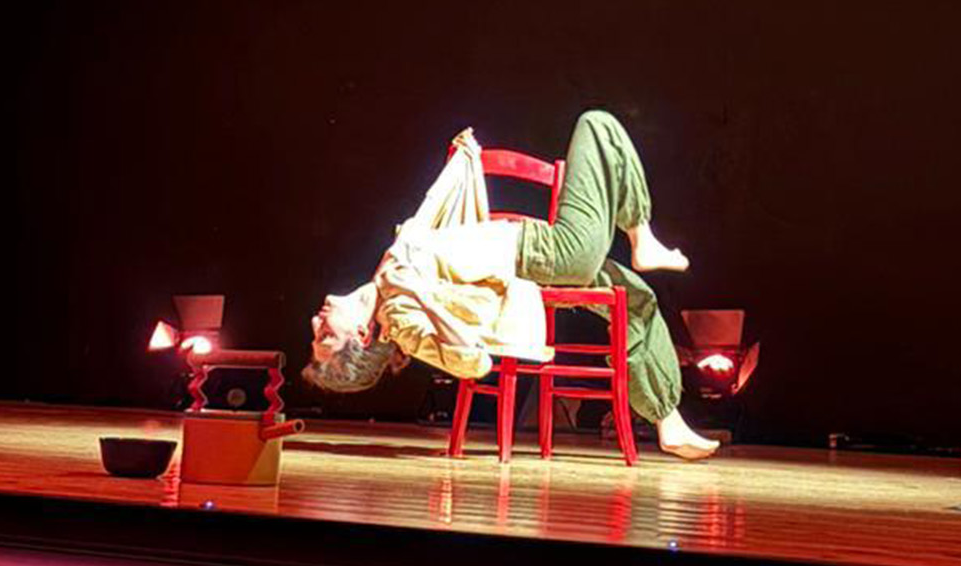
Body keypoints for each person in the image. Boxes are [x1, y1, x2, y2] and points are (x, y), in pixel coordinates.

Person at [306, 110, 720, 460]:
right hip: (548, 253)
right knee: (597, 125)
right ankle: (641, 235)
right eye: (325, 336)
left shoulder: (385, 282)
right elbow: (473, 363)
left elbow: (427, 218)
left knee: (639, 300)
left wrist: (462, 162)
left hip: (539, 257)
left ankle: (668, 421)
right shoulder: (400, 315)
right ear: (361, 335)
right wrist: (420, 295)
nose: (315, 322)